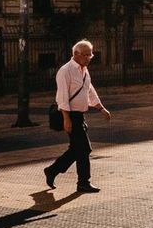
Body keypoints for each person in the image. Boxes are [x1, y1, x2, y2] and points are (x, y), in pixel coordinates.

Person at [44, 40, 111, 193]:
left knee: (77, 149)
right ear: (76, 54)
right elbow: (62, 97)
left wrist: (101, 108)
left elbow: (89, 89)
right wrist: (66, 118)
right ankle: (83, 182)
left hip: (79, 115)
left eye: (91, 55)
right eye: (86, 55)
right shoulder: (65, 71)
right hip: (69, 114)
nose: (89, 58)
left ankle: (52, 171)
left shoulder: (84, 70)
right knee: (84, 148)